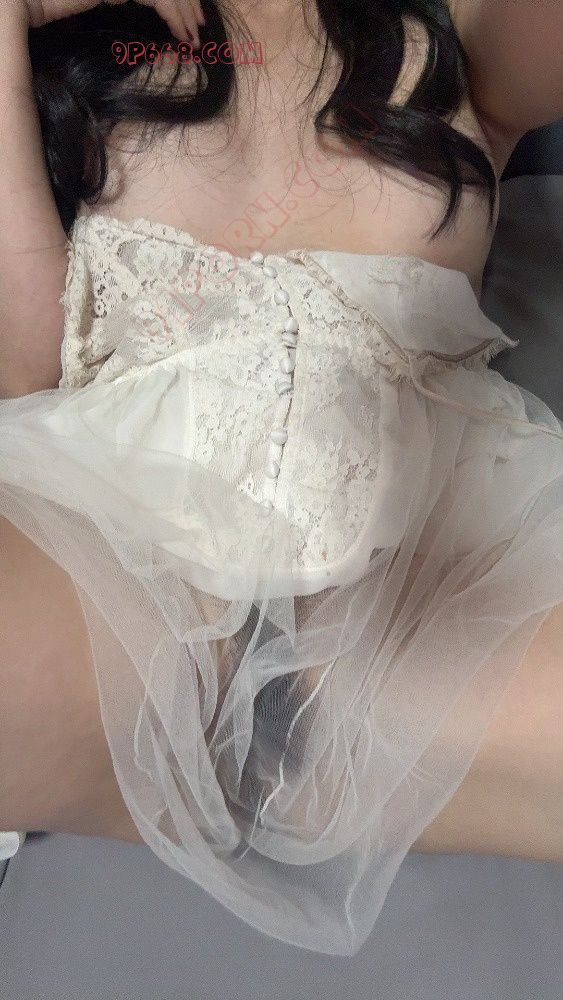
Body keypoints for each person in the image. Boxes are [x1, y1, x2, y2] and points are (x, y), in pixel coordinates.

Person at [0, 0, 561, 955]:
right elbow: (22, 372)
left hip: (430, 570)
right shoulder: (81, 45)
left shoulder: (453, 27)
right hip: (113, 554)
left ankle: (289, 745)